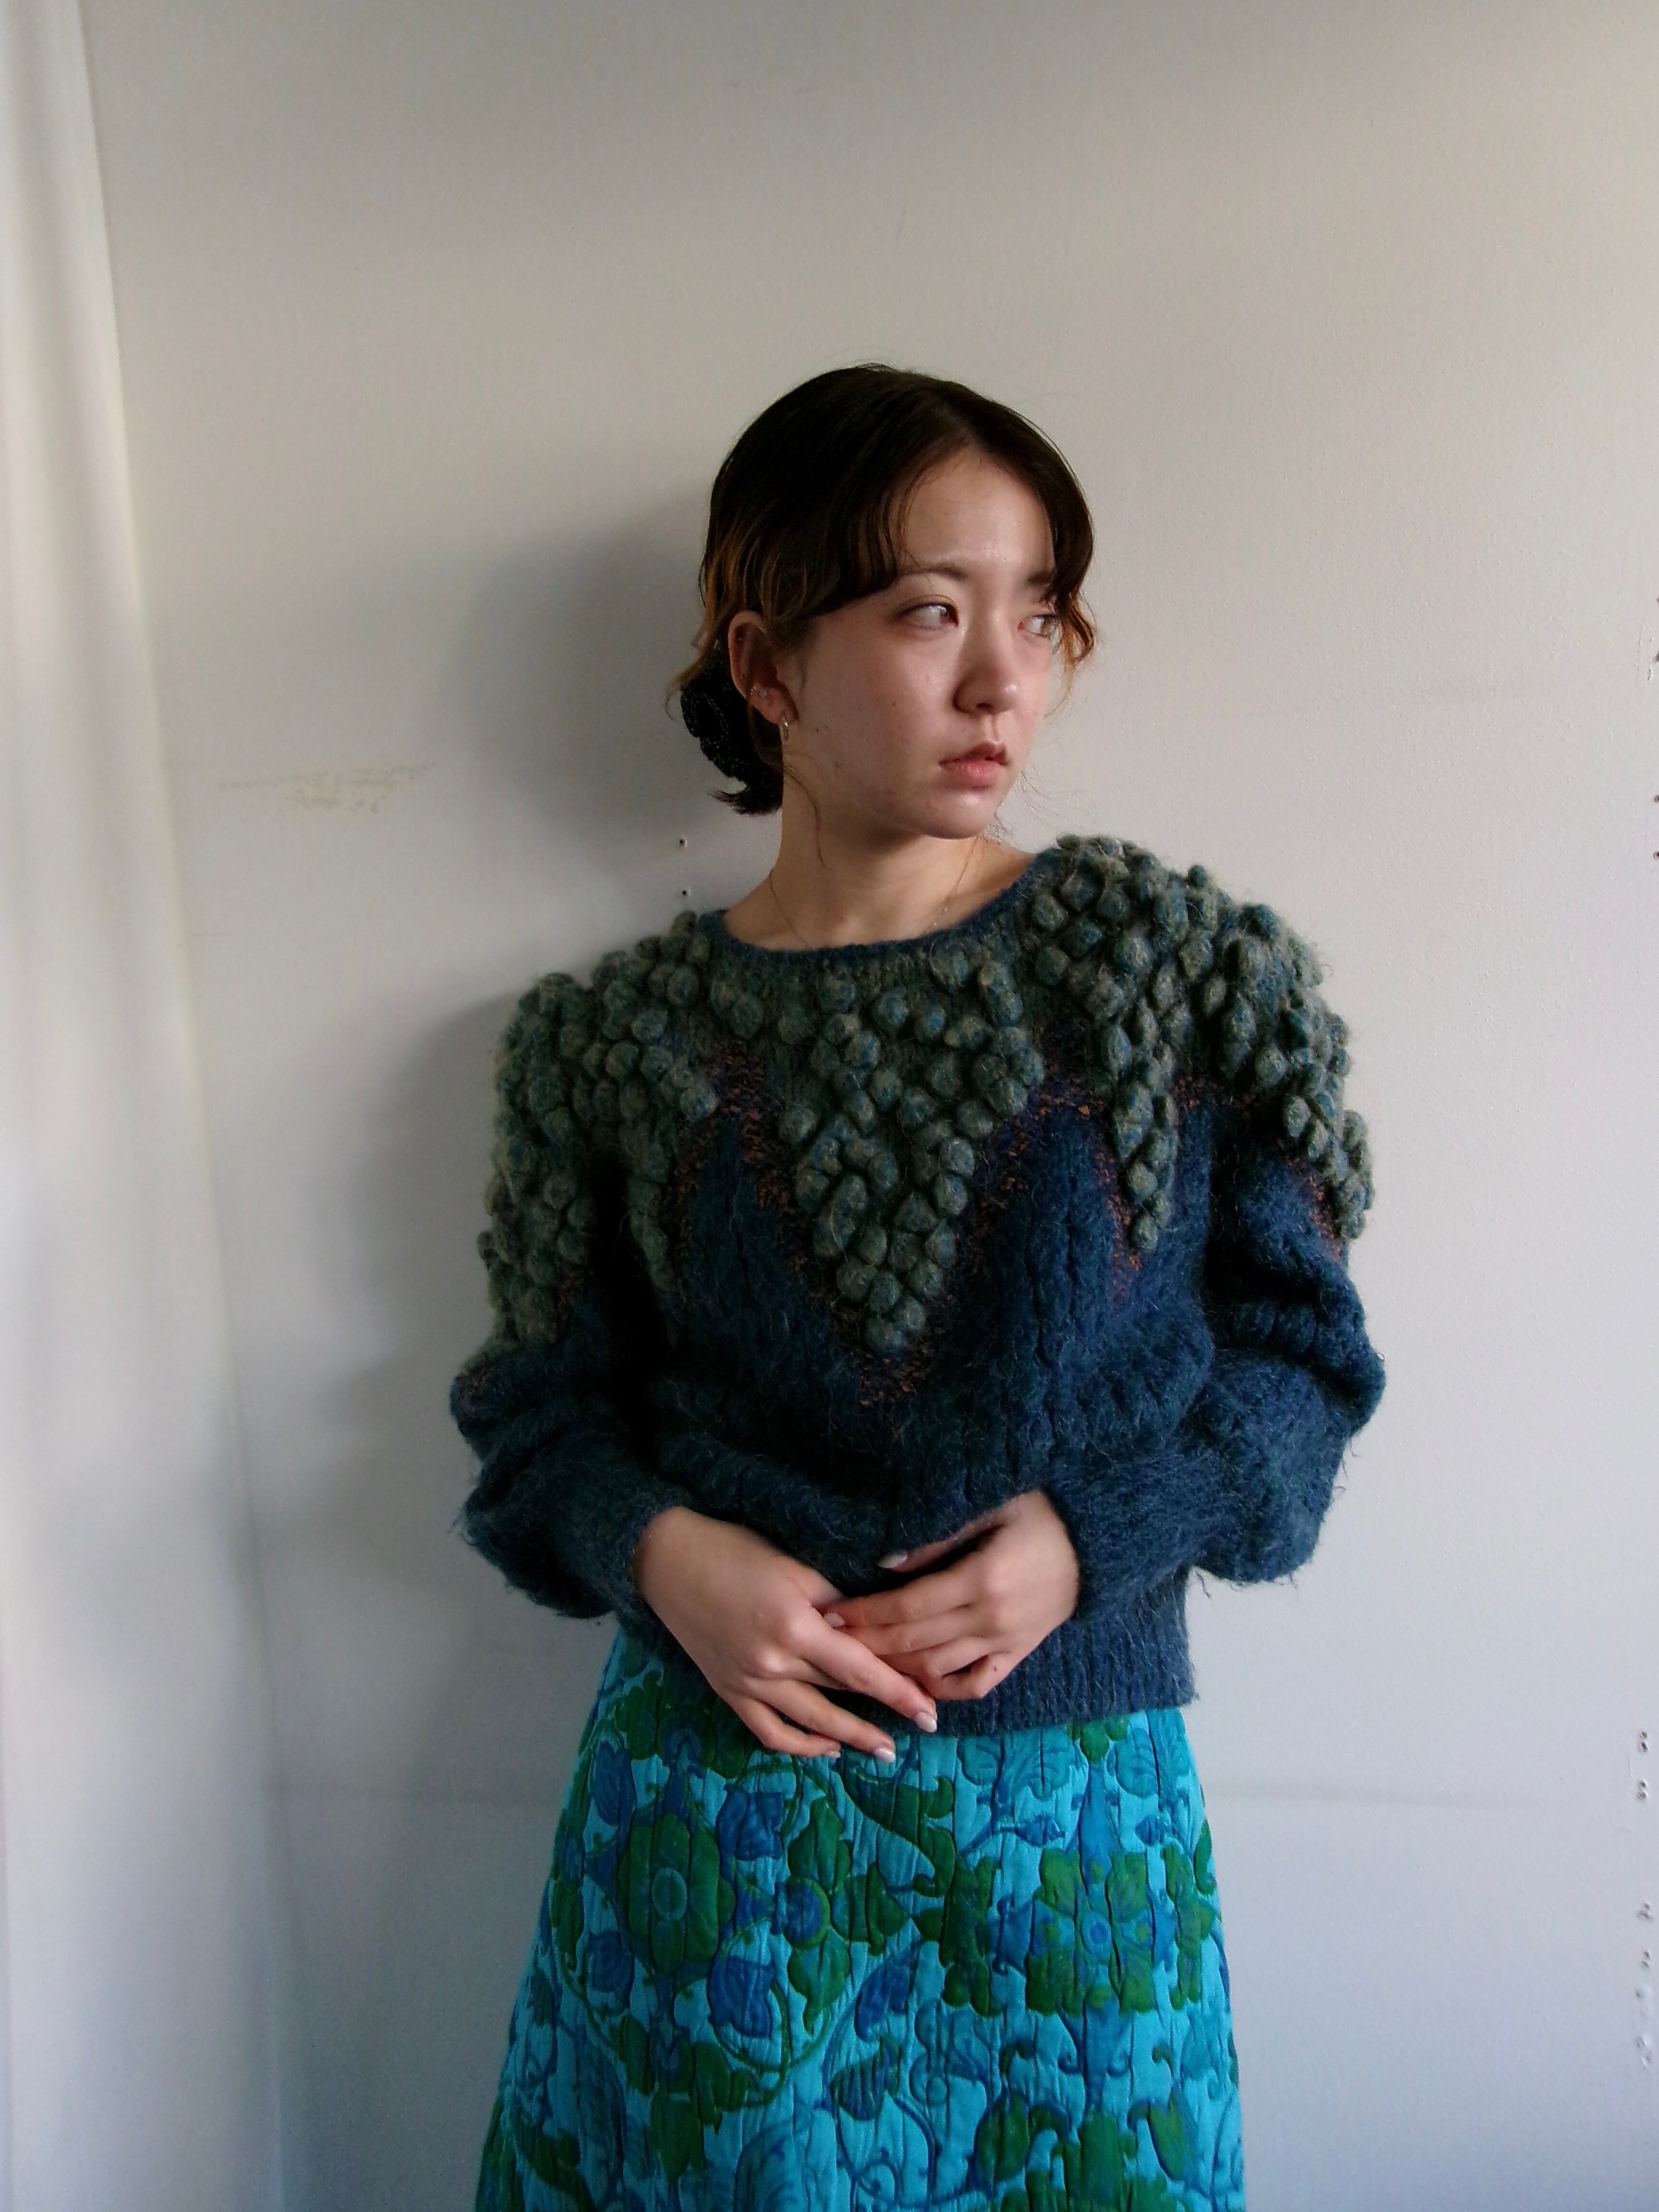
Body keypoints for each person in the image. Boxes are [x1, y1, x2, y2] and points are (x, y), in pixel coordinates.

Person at [450, 364, 1385, 2212]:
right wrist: (661, 1554)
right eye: (928, 611)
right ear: (768, 664)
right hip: (710, 1839)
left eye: (1038, 613)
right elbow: (539, 1423)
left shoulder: (1185, 981)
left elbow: (1302, 1371)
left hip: (1074, 1838)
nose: (1002, 681)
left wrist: (1094, 1542)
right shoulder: (610, 1047)